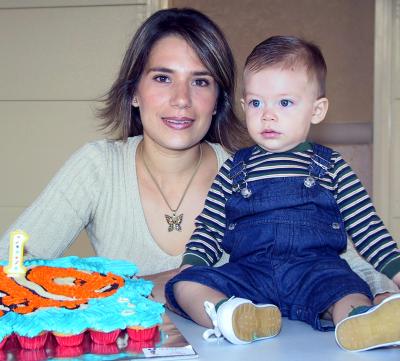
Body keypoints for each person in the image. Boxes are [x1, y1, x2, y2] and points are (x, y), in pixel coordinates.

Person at [0, 9, 397, 303]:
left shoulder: (249, 176)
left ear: (219, 100)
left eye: (201, 81)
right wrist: (151, 285)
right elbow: (11, 265)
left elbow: (338, 259)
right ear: (134, 92)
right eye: (162, 77)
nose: (181, 100)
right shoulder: (98, 166)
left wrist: (382, 292)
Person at [165, 35, 400, 352]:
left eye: (284, 102)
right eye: (257, 103)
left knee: (347, 289)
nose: (268, 115)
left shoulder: (331, 166)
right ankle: (229, 315)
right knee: (183, 285)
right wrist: (191, 263)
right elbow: (209, 226)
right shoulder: (234, 168)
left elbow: (367, 226)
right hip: (251, 274)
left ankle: (361, 320)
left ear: (317, 110)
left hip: (316, 269)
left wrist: (396, 272)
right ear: (245, 105)